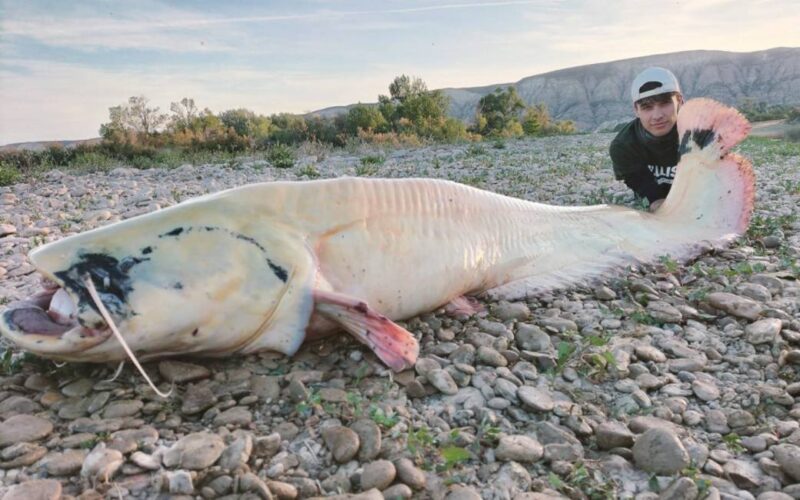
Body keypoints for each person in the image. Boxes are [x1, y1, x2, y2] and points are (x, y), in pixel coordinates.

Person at [610, 67, 684, 212]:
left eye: (664, 103)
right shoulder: (623, 146)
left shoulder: (701, 134)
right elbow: (639, 182)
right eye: (647, 107)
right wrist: (657, 203)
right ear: (636, 110)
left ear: (679, 101)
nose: (657, 115)